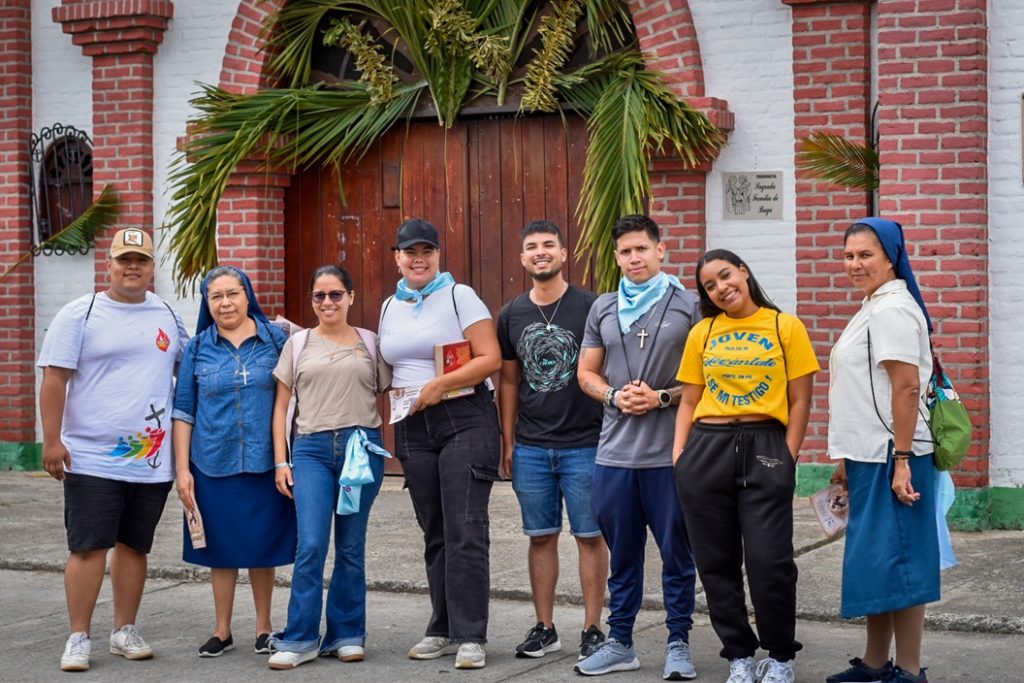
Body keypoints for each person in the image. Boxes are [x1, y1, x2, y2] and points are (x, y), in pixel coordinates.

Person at [38, 228, 189, 672]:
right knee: (89, 547)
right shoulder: (80, 313)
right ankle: (78, 636)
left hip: (151, 460)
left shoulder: (167, 313)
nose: (132, 267)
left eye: (141, 260)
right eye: (125, 259)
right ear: (109, 264)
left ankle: (125, 630)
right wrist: (52, 440)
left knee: (134, 546)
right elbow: (54, 379)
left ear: (152, 267)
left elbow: (190, 367)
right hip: (90, 456)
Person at [671, 250, 820, 683]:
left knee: (769, 562)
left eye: (725, 276)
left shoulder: (784, 326)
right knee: (715, 564)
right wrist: (679, 457)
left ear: (744, 272)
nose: (721, 288)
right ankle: (738, 654)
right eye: (710, 286)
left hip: (766, 445)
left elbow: (800, 400)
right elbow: (690, 400)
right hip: (706, 449)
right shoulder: (703, 332)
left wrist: (788, 457)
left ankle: (781, 656)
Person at [575, 214, 701, 680]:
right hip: (614, 456)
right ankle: (620, 642)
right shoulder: (603, 307)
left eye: (642, 249)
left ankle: (678, 643)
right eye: (625, 251)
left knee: (677, 556)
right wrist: (613, 395)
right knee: (623, 558)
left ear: (660, 250)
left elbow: (707, 378)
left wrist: (661, 397)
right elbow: (586, 372)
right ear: (616, 257)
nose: (634, 258)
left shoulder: (689, 304)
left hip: (671, 455)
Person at [378, 218, 502, 670]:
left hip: (464, 417)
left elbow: (490, 358)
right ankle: (442, 629)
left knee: (464, 526)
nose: (418, 259)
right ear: (397, 257)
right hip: (413, 424)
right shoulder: (389, 305)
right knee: (434, 529)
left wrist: (439, 385)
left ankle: (471, 636)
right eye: (410, 252)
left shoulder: (458, 295)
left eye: (426, 251)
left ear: (437, 255)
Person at [825, 218, 941, 683]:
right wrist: (845, 458)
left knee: (902, 564)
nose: (855, 264)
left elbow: (907, 387)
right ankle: (875, 664)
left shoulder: (891, 308)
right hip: (869, 456)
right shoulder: (873, 305)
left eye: (865, 255)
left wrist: (902, 461)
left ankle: (909, 671)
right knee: (879, 564)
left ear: (891, 257)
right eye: (848, 256)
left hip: (893, 456)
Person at [267, 265, 392, 670]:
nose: (327, 302)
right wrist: (281, 460)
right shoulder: (298, 344)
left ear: (351, 297)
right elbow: (281, 407)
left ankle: (347, 634)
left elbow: (396, 386)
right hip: (312, 452)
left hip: (360, 450)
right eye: (319, 295)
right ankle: (301, 637)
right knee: (312, 544)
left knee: (351, 546)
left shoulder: (370, 343)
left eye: (336, 294)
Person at [497, 220, 609, 663]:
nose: (540, 251)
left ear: (564, 254)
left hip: (586, 444)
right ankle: (545, 628)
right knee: (540, 537)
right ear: (522, 258)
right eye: (531, 246)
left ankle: (592, 628)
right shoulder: (511, 314)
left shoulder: (592, 306)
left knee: (590, 537)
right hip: (531, 446)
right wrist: (509, 442)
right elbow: (509, 382)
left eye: (548, 245)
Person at [171, 265, 297, 658]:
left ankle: (264, 628)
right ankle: (222, 631)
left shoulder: (275, 339)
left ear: (247, 296)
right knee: (220, 550)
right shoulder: (197, 348)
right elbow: (184, 411)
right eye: (216, 296)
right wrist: (182, 471)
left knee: (262, 547)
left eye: (233, 293)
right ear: (207, 304)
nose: (225, 303)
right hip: (211, 461)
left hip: (265, 459)